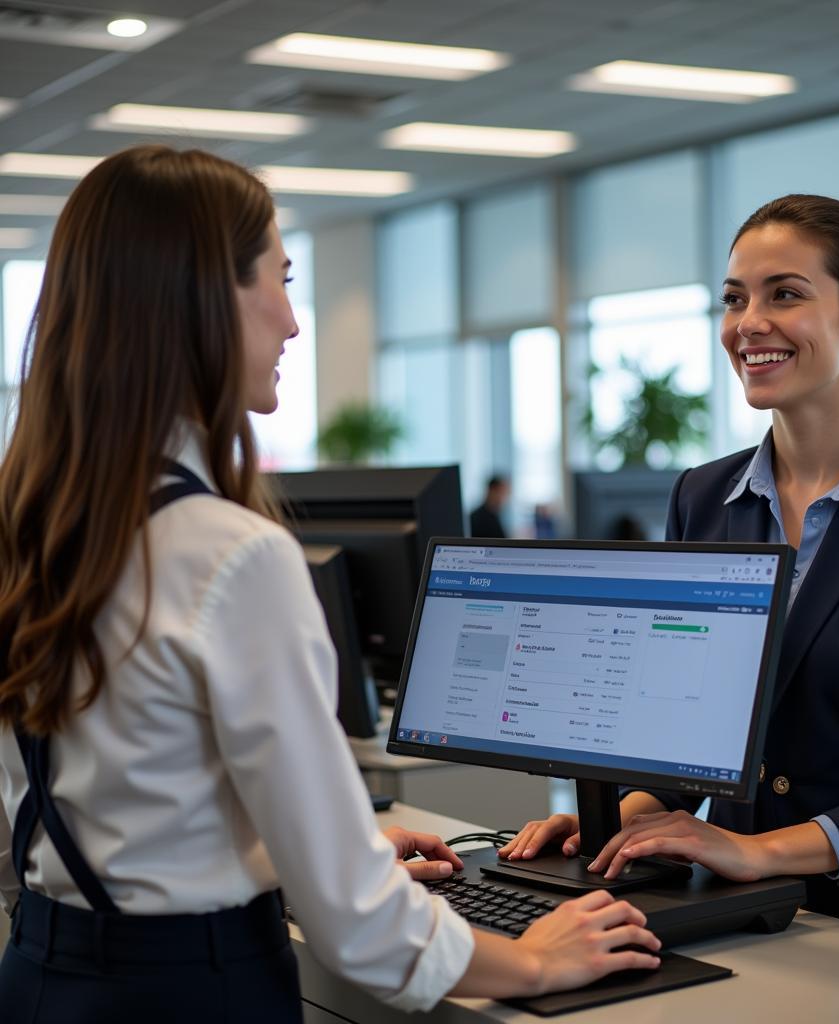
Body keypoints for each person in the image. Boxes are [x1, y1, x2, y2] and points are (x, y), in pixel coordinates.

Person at [0, 145, 660, 1024]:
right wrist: (535, 961)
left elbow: (89, 818)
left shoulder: (33, 529)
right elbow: (363, 935)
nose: (292, 322)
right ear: (202, 298)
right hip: (190, 993)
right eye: (279, 278)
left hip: (45, 974)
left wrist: (289, 854)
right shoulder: (232, 556)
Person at [499, 194, 839, 960]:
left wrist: (762, 851)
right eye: (735, 299)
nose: (749, 323)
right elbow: (680, 732)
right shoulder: (703, 496)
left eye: (786, 294)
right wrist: (623, 822)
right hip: (741, 928)